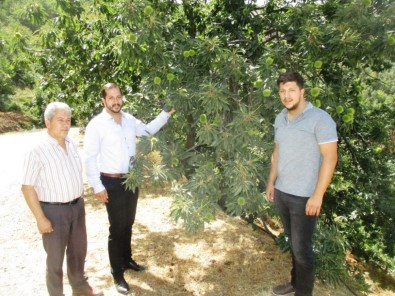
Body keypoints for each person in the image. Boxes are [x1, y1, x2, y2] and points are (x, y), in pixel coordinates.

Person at [84, 82, 175, 295]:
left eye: (118, 97)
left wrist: (166, 113)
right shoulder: (96, 125)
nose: (116, 101)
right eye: (111, 98)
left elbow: (147, 131)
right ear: (103, 101)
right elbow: (89, 158)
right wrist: (97, 185)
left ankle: (126, 260)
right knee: (117, 228)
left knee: (129, 222)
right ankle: (117, 273)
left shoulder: (129, 119)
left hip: (131, 180)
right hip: (111, 181)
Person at [265, 72, 338, 296]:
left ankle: (303, 292)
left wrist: (318, 195)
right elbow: (277, 153)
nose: (287, 96)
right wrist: (271, 182)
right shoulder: (280, 118)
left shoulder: (321, 119)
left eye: (291, 90)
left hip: (305, 198)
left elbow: (330, 158)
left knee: (302, 250)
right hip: (282, 192)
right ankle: (295, 283)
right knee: (293, 243)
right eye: (282, 91)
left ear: (302, 91)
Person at [21, 102, 102, 296]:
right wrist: (41, 219)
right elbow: (27, 187)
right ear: (47, 122)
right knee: (55, 259)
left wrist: (79, 196)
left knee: (78, 252)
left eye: (68, 120)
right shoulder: (37, 150)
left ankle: (81, 289)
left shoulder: (71, 143)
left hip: (76, 208)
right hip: (53, 212)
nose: (65, 125)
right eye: (60, 120)